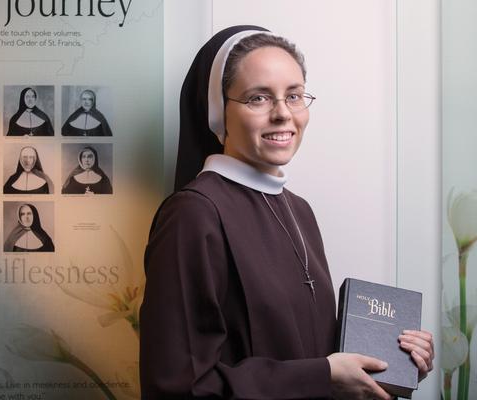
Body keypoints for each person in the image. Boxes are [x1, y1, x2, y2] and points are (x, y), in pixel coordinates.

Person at [139, 25, 434, 400]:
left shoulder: (299, 210)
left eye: (294, 96)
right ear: (218, 111)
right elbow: (177, 387)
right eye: (258, 98)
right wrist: (323, 376)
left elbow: (308, 354)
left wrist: (392, 364)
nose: (282, 114)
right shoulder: (193, 215)